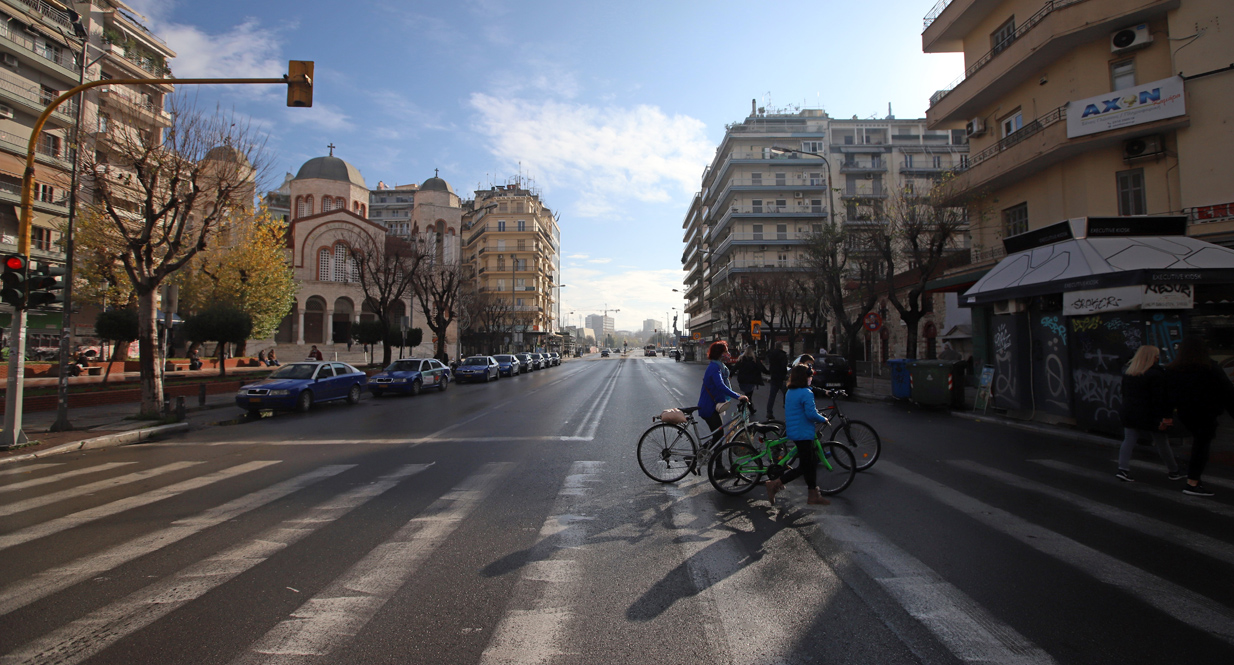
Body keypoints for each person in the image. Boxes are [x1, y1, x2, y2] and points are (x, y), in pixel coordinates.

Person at [1165, 338, 1234, 497]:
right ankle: (1193, 482)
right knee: (1201, 446)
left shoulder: (1173, 369)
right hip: (1206, 413)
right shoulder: (1210, 368)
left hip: (1185, 413)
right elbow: (1228, 394)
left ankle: (1193, 479)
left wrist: (1167, 415)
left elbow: (1167, 396)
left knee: (1199, 444)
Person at [765, 364, 830, 506]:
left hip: (796, 431)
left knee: (810, 463)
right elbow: (811, 414)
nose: (811, 378)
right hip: (803, 433)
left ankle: (813, 494)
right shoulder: (806, 393)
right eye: (809, 376)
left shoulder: (791, 391)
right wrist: (823, 419)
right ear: (804, 377)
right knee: (805, 466)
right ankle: (774, 484)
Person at [1116, 345, 1181, 482]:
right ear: (1154, 357)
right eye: (1157, 355)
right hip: (1149, 413)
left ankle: (1123, 469)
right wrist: (1164, 417)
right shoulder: (1156, 374)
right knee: (1162, 442)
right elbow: (1160, 398)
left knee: (1129, 440)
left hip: (1129, 411)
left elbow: (1124, 393)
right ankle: (1173, 470)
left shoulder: (1129, 372)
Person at [697, 341, 748, 449]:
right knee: (719, 436)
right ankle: (716, 464)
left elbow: (723, 387)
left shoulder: (719, 366)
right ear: (719, 353)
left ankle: (701, 455)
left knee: (718, 436)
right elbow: (720, 386)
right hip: (709, 407)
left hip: (713, 406)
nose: (728, 354)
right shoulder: (714, 368)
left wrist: (737, 394)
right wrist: (738, 396)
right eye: (726, 351)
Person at [734, 347, 768, 415]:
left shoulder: (741, 359)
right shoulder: (754, 359)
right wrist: (769, 372)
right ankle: (744, 404)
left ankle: (746, 406)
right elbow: (762, 368)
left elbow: (735, 367)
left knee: (748, 395)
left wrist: (730, 374)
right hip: (751, 381)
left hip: (742, 381)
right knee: (748, 395)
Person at [765, 343, 789, 419]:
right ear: (781, 347)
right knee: (786, 393)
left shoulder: (771, 355)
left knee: (772, 396)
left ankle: (769, 412)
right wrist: (785, 375)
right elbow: (783, 367)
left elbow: (770, 365)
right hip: (781, 378)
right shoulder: (783, 355)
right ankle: (786, 406)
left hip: (774, 377)